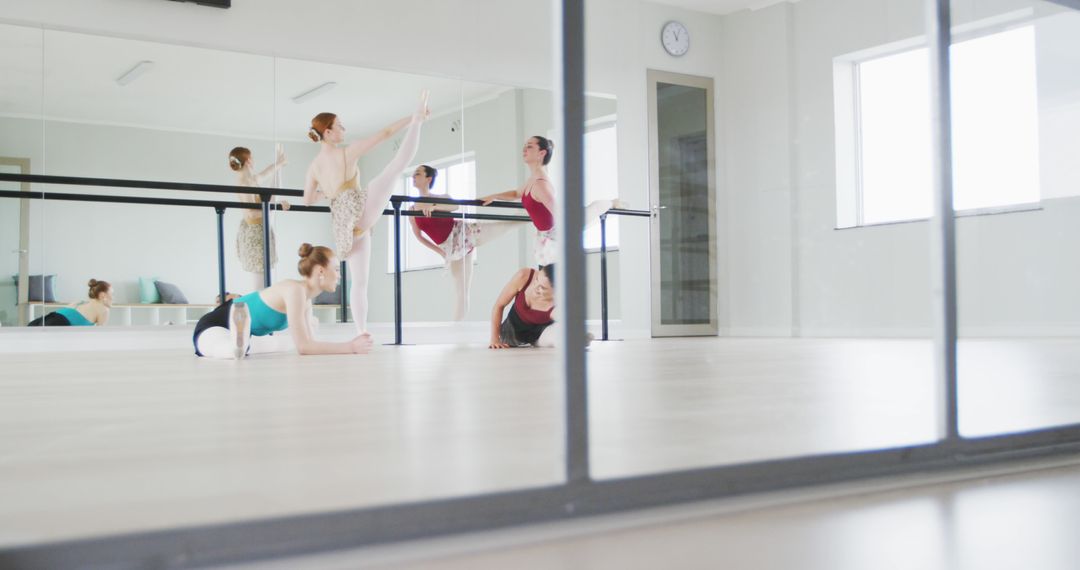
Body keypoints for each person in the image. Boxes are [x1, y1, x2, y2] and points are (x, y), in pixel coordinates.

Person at [303, 90, 430, 333]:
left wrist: (329, 194)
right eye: (340, 126)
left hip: (343, 225)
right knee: (396, 166)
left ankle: (361, 332)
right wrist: (413, 117)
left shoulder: (314, 167)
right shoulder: (345, 153)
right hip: (358, 208)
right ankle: (417, 123)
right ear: (327, 133)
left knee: (359, 283)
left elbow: (307, 199)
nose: (344, 130)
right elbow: (385, 133)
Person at [192, 243, 372, 358]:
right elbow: (304, 347)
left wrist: (351, 345)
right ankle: (238, 344)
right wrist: (350, 347)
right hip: (215, 324)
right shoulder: (294, 290)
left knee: (279, 345)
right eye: (336, 269)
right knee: (222, 349)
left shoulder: (306, 299)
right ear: (321, 271)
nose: (339, 276)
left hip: (247, 335)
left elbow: (311, 345)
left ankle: (241, 343)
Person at [479, 136, 621, 266]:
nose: (524, 149)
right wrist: (495, 195)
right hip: (547, 233)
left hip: (561, 229)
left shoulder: (541, 184)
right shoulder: (532, 180)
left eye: (529, 146)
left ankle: (613, 203)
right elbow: (516, 193)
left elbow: (559, 216)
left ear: (542, 153)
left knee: (595, 209)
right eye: (525, 145)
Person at [409, 165, 520, 320]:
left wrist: (434, 207)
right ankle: (457, 328)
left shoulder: (441, 197)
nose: (413, 176)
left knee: (500, 226)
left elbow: (455, 205)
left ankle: (527, 216)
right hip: (450, 248)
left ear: (429, 178)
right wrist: (441, 253)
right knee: (461, 291)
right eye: (413, 174)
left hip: (464, 233)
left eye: (418, 174)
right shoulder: (412, 208)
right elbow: (419, 237)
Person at [228, 145, 290, 291]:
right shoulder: (245, 183)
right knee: (260, 280)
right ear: (249, 161)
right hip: (255, 233)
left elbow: (265, 174)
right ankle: (258, 310)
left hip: (258, 229)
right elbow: (251, 212)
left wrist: (279, 163)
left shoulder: (250, 179)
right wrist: (276, 205)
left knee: (263, 277)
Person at [489, 264, 592, 349]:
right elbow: (499, 305)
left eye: (542, 288)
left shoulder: (558, 305)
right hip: (511, 333)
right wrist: (494, 339)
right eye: (537, 280)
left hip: (538, 336)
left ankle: (578, 338)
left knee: (558, 336)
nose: (535, 287)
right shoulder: (524, 276)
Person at [28, 279, 112, 326]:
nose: (113, 297)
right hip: (58, 324)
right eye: (112, 294)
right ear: (102, 295)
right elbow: (100, 335)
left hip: (46, 318)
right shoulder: (103, 309)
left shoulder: (79, 302)